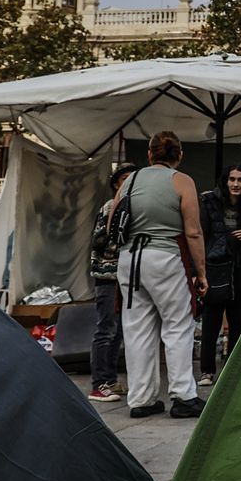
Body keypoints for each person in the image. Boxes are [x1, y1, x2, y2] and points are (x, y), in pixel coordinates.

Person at [112, 131, 208, 419]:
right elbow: (192, 230)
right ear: (179, 154)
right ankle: (183, 396)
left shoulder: (130, 180)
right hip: (164, 257)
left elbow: (112, 223)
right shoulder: (182, 181)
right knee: (177, 326)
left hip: (129, 260)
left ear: (150, 154)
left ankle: (141, 399)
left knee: (137, 330)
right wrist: (201, 272)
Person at [197, 164, 241, 386]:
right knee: (211, 319)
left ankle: (231, 369)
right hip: (215, 267)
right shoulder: (208, 201)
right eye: (232, 179)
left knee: (238, 319)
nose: (236, 184)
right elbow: (200, 233)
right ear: (225, 181)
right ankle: (207, 371)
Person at [86, 163, 137, 403]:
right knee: (106, 328)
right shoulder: (110, 207)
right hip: (108, 276)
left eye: (132, 179)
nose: (127, 183)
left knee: (117, 330)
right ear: (116, 183)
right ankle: (99, 384)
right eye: (123, 178)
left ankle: (110, 380)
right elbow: (98, 241)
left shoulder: (131, 206)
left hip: (123, 276)